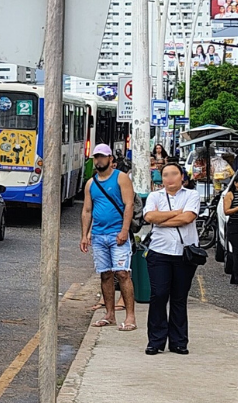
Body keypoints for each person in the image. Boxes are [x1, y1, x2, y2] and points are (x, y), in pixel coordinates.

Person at [142, 163, 200, 355]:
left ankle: (179, 342)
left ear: (182, 176)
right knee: (158, 295)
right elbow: (149, 216)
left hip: (185, 253)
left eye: (174, 174)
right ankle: (156, 341)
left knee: (179, 298)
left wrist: (162, 219)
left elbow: (187, 219)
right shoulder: (154, 196)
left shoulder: (192, 195)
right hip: (159, 252)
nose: (170, 178)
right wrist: (177, 212)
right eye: (165, 174)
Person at [81, 144, 138, 331]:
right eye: (96, 157)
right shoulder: (91, 183)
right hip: (98, 235)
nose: (99, 160)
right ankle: (109, 314)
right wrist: (85, 235)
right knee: (105, 274)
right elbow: (87, 210)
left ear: (111, 159)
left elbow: (129, 205)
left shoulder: (121, 178)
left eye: (103, 157)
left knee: (122, 273)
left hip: (117, 234)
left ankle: (130, 317)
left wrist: (124, 230)